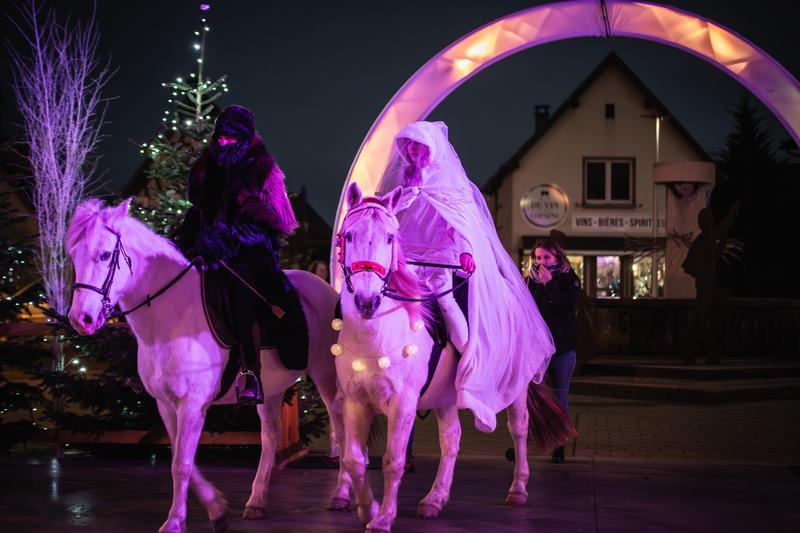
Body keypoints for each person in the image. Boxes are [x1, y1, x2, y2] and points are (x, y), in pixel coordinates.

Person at [376, 120, 554, 433]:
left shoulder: (450, 183)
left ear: (431, 148)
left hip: (440, 263)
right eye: (409, 145)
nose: (413, 152)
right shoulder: (399, 182)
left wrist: (465, 251)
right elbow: (388, 217)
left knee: (450, 308)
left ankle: (471, 375)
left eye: (419, 145)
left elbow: (464, 223)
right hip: (407, 264)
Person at [174, 104, 302, 404]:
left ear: (243, 138)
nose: (222, 143)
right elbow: (199, 210)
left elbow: (278, 221)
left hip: (248, 254)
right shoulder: (207, 167)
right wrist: (185, 237)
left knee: (241, 300)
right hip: (206, 251)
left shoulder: (263, 169)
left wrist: (234, 236)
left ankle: (250, 372)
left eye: (230, 138)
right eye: (219, 137)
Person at [525, 239, 581, 463]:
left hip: (562, 348)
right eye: (538, 258)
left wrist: (550, 284)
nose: (542, 262)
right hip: (537, 348)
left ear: (557, 257)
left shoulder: (570, 279)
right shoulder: (532, 280)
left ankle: (559, 445)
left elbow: (567, 309)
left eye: (546, 257)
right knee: (531, 394)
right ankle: (524, 442)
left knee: (560, 395)